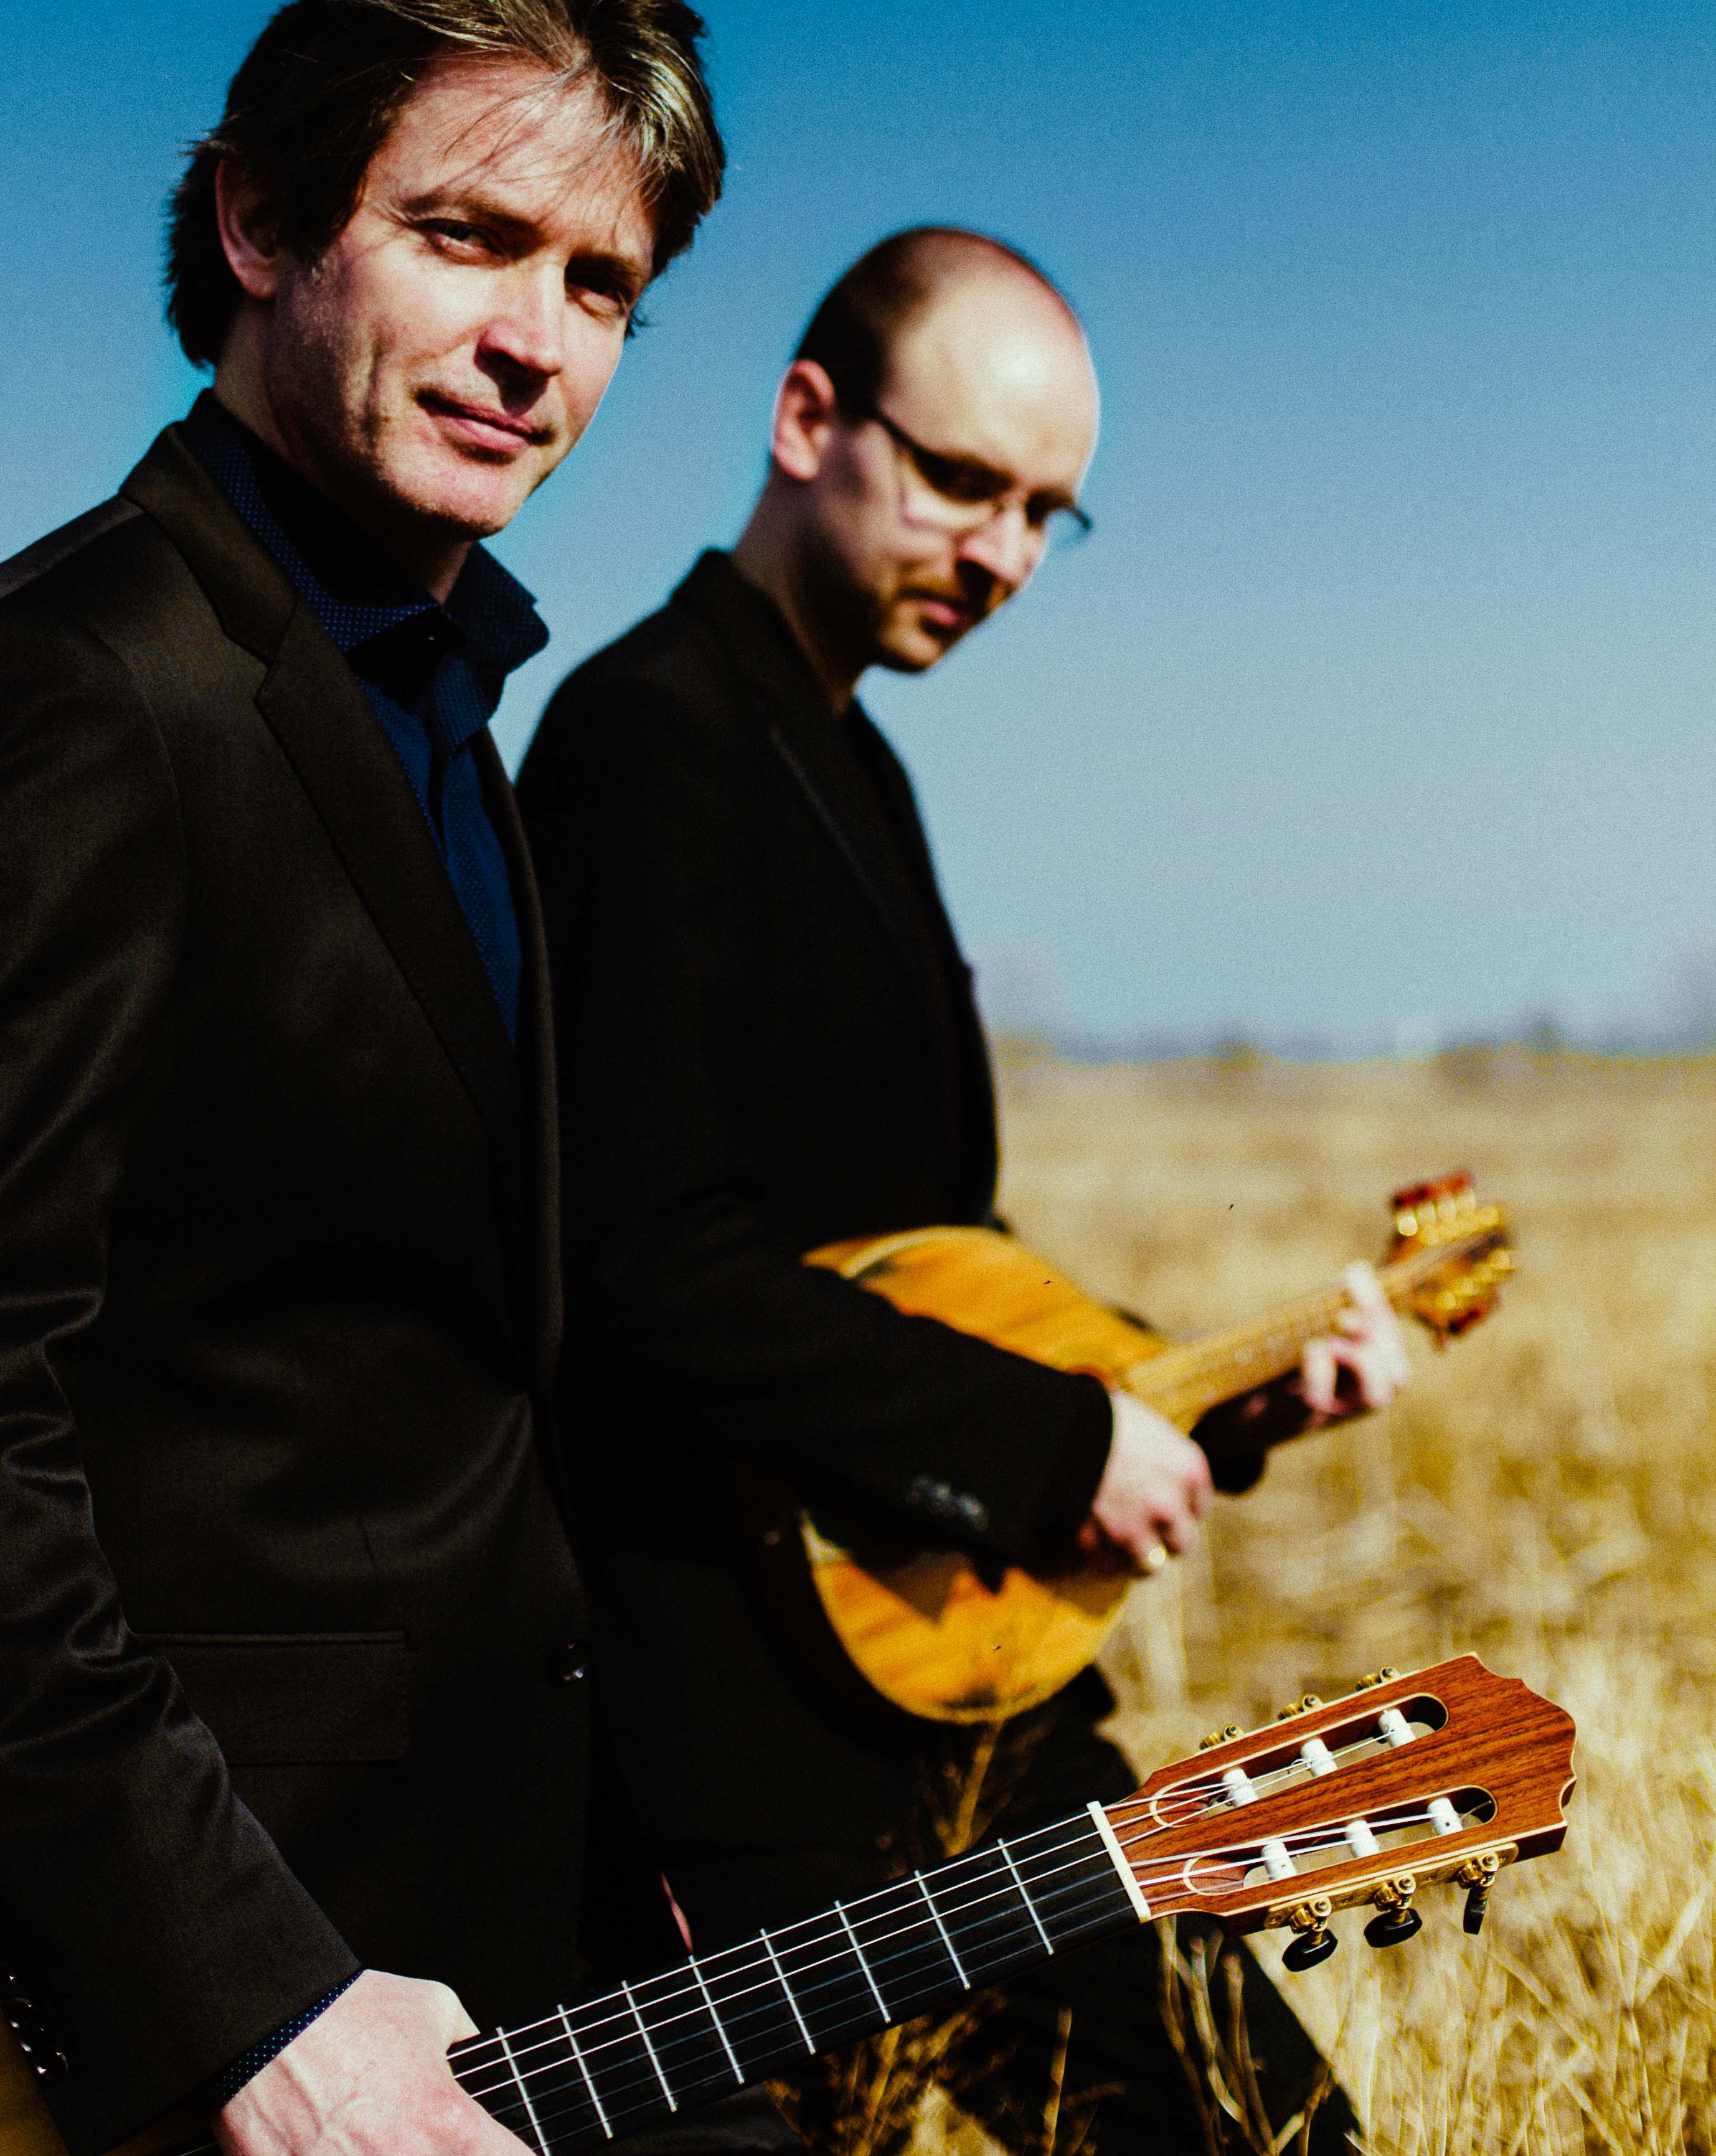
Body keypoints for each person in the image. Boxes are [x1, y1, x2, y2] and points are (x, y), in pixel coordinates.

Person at [0, 0, 785, 2156]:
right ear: (256, 221)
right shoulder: (64, 686)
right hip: (164, 2024)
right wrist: (243, 2006)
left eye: (604, 286)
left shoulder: (452, 718)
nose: (541, 341)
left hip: (517, 1941)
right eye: (467, 236)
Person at [519, 228, 1407, 2156]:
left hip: (952, 1686)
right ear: (805, 419)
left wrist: (1211, 1399)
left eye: (1045, 516)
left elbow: (916, 1262)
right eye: (963, 484)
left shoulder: (859, 767)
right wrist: (1054, 1449)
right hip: (750, 1748)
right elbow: (643, 1261)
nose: (1002, 555)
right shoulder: (647, 738)